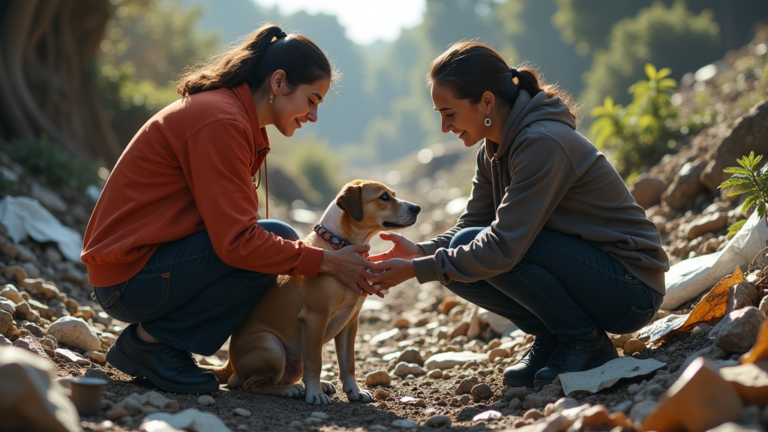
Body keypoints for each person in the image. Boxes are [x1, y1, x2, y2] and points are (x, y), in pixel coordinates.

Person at [82, 25, 381, 394]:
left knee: (276, 239)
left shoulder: (230, 117)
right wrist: (327, 262)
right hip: (127, 280)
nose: (313, 115)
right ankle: (151, 344)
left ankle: (164, 342)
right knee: (275, 240)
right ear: (279, 82)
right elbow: (238, 242)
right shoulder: (220, 122)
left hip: (140, 266)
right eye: (312, 100)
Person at [368, 42, 669, 388]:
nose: (444, 127)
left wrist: (416, 270)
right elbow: (473, 223)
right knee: (469, 246)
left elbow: (503, 246)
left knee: (480, 249)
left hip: (630, 289)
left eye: (449, 113)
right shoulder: (493, 148)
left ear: (486, 102)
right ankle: (556, 337)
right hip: (595, 274)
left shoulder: (543, 142)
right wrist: (421, 251)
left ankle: (585, 341)